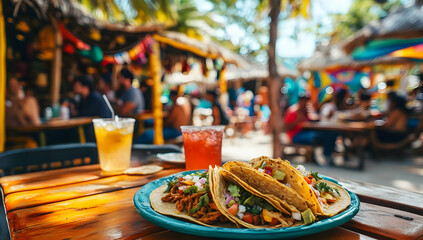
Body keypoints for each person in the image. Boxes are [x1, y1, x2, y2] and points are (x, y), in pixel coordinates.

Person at [284, 94, 337, 165]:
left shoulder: (307, 110)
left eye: (306, 101)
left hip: (307, 133)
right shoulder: (293, 111)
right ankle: (314, 157)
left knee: (330, 134)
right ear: (300, 100)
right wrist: (297, 120)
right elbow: (285, 128)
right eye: (303, 100)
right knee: (316, 137)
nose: (305, 102)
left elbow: (314, 119)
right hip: (295, 135)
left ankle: (327, 155)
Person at [73, 75, 112, 142]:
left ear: (85, 87)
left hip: (102, 130)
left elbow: (83, 115)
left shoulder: (94, 98)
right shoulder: (83, 98)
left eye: (76, 85)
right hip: (94, 129)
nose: (74, 87)